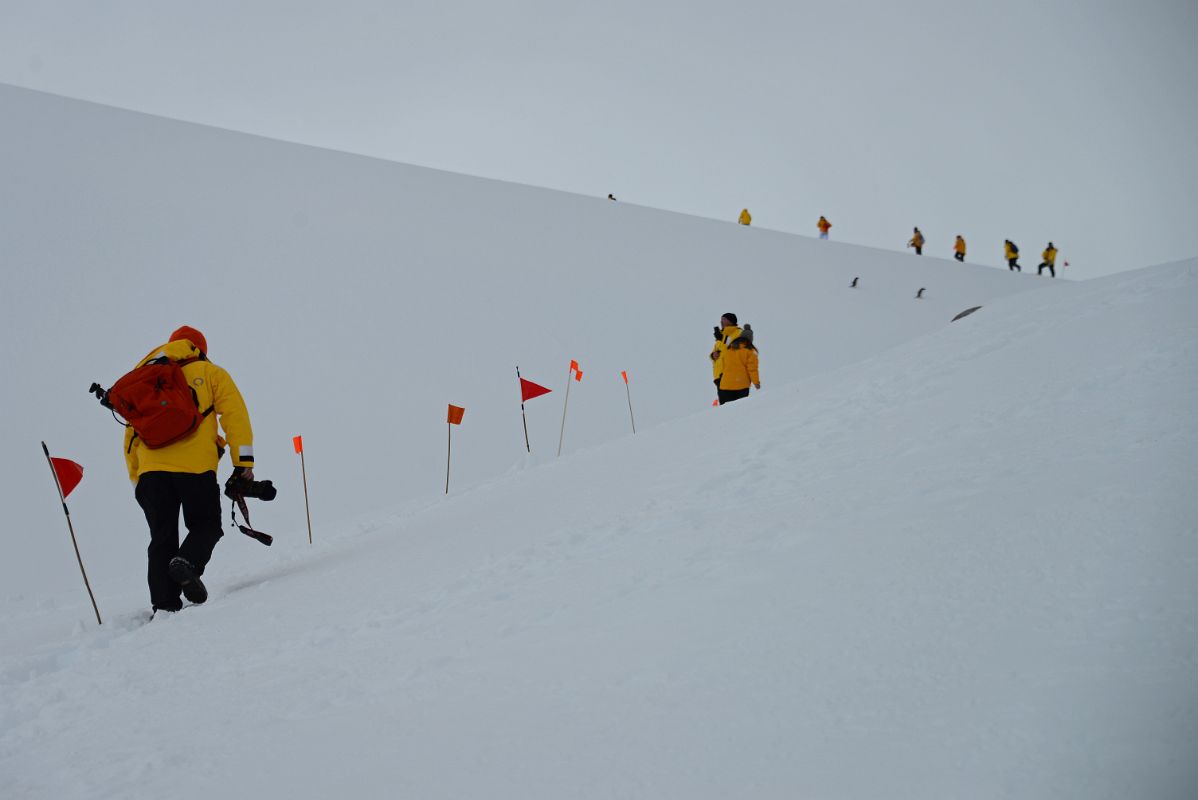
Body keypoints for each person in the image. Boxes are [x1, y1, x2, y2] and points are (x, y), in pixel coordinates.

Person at [123, 326, 256, 614]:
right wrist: (243, 462)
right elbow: (235, 416)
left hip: (151, 473)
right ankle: (187, 562)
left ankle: (164, 605)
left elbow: (131, 434)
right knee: (206, 525)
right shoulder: (210, 373)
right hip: (196, 468)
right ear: (200, 350)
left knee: (162, 537)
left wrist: (137, 476)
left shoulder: (145, 380)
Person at [718, 325, 760, 404]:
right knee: (739, 412)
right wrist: (756, 382)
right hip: (741, 386)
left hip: (725, 385)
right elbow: (752, 369)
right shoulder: (750, 351)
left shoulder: (729, 348)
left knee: (727, 413)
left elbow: (723, 364)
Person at [710, 313, 742, 396]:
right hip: (719, 377)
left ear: (731, 321)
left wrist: (722, 338)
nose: (721, 322)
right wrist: (713, 355)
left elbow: (737, 346)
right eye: (721, 319)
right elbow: (714, 352)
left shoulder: (738, 332)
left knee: (735, 404)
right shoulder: (720, 336)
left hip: (733, 375)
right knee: (725, 407)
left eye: (724, 319)